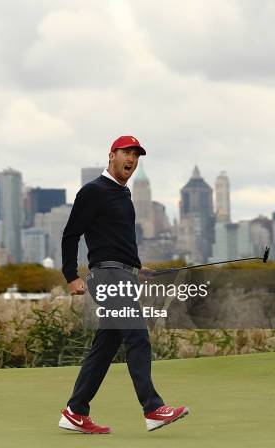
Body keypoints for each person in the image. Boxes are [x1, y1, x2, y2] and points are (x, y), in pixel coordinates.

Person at [58, 135, 189, 434]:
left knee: (106, 347)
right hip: (108, 277)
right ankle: (154, 409)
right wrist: (70, 276)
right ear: (111, 155)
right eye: (126, 152)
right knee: (138, 336)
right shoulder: (93, 191)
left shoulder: (123, 195)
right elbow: (70, 234)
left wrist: (135, 267)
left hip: (123, 274)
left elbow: (115, 240)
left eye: (136, 155)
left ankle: (75, 411)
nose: (131, 158)